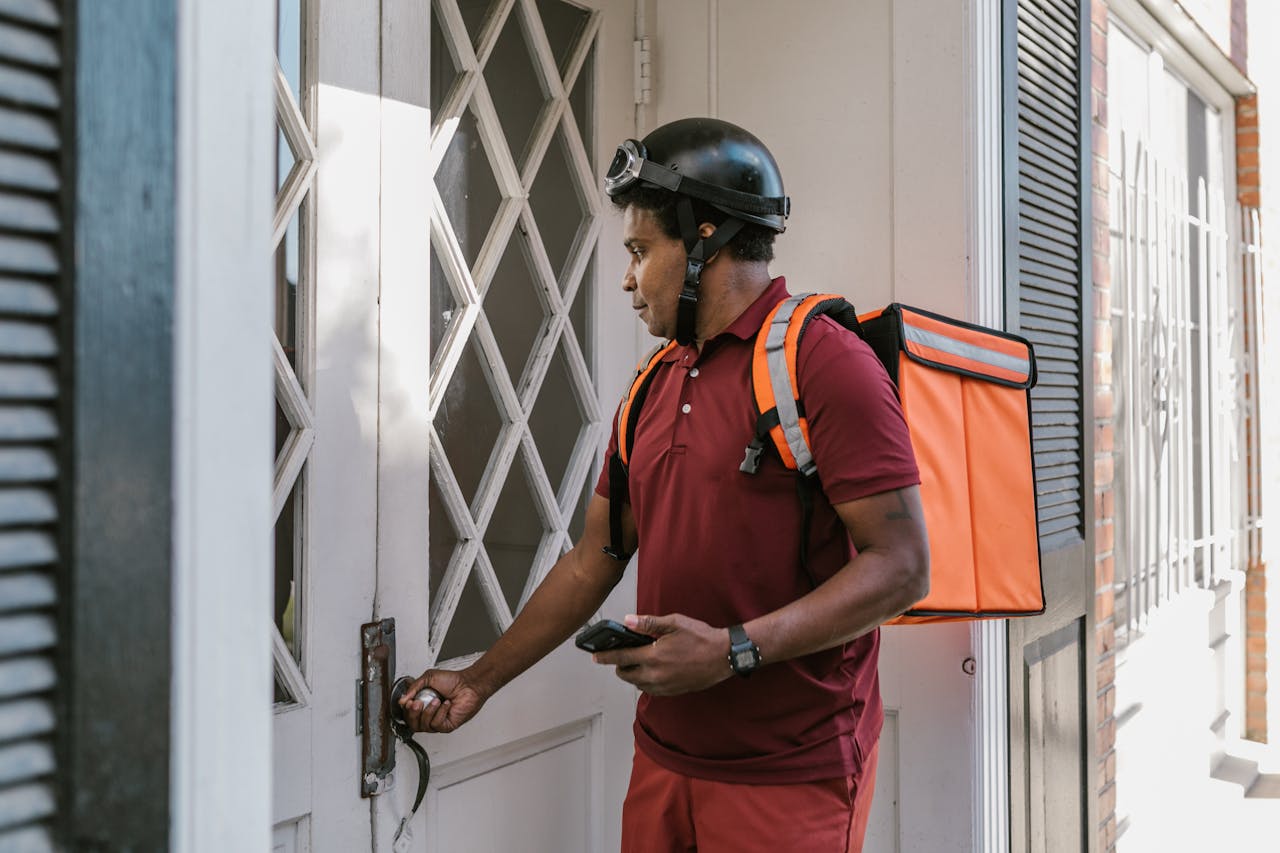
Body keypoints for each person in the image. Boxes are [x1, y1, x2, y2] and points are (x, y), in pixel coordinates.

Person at [400, 117, 930, 852]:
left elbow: (902, 566)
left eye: (641, 251)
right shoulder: (653, 383)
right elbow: (593, 560)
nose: (627, 277)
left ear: (705, 240)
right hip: (663, 759)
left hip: (790, 775)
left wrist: (732, 650)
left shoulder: (822, 360)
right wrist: (480, 680)